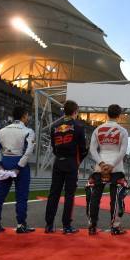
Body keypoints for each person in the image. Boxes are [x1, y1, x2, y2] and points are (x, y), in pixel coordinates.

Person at [45, 100, 88, 234]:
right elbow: (83, 149)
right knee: (69, 195)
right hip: (71, 163)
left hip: (58, 162)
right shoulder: (78, 126)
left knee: (54, 194)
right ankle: (66, 226)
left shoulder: (54, 126)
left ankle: (49, 225)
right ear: (75, 112)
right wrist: (77, 162)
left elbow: (53, 147)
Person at [0, 106, 36, 234]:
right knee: (21, 197)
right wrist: (18, 167)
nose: (28, 118)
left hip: (5, 162)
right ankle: (21, 225)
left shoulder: (2, 131)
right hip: (19, 164)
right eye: (27, 116)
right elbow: (28, 152)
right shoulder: (28, 131)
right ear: (24, 116)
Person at [85, 104, 129, 236]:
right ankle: (115, 227)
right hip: (117, 167)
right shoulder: (122, 131)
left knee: (94, 197)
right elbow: (123, 151)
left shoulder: (98, 129)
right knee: (116, 198)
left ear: (107, 114)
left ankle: (92, 226)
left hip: (100, 167)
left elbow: (92, 149)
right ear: (119, 115)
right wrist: (112, 165)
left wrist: (102, 163)